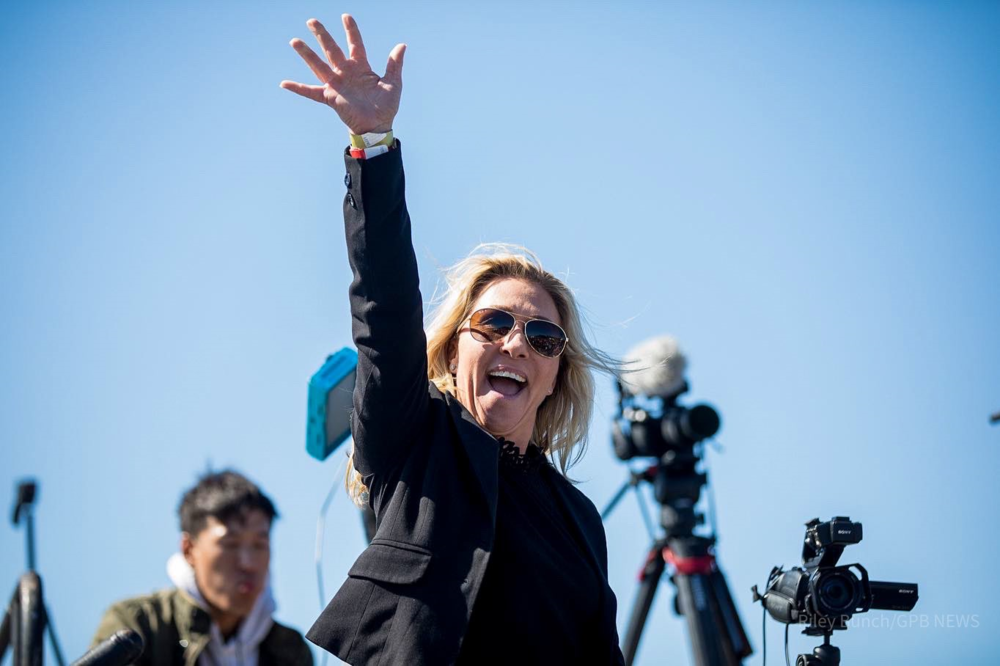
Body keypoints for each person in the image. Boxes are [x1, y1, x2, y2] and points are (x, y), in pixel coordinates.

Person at [281, 15, 626, 665]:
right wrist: (373, 142)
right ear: (451, 350)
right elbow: (383, 308)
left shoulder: (579, 521)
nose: (516, 344)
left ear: (556, 374)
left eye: (542, 337)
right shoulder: (414, 436)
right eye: (493, 324)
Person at [91, 470, 313, 666]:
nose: (248, 563)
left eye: (259, 545)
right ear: (189, 549)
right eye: (230, 544)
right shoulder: (137, 629)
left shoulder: (290, 651)